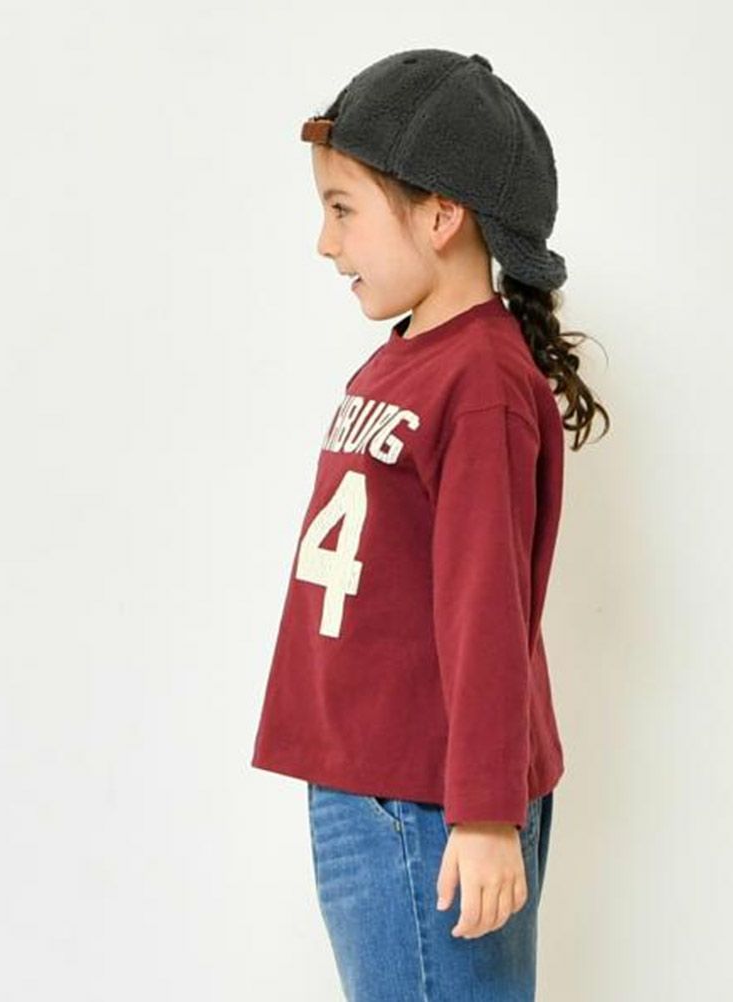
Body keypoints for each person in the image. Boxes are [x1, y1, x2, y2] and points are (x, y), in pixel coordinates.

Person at [250, 48, 610, 1001]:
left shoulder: (480, 382)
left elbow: (487, 607)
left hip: (428, 795)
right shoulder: (405, 356)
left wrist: (486, 813)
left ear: (442, 215)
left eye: (343, 210)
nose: (326, 243)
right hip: (366, 779)